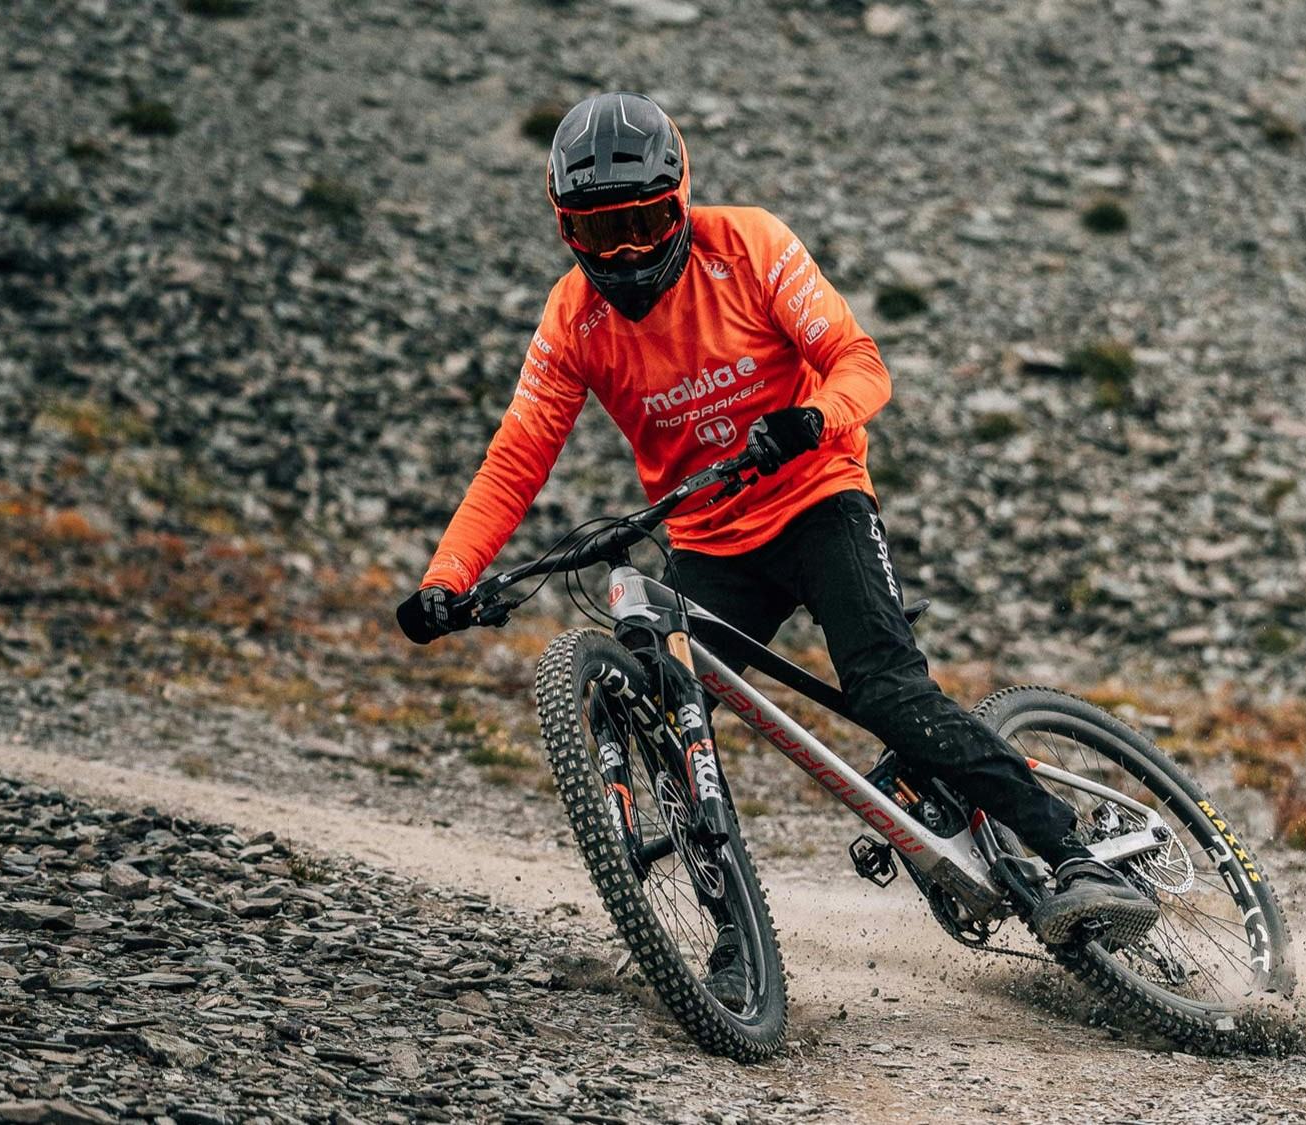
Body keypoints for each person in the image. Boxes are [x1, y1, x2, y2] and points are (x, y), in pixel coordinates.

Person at [396, 92, 1157, 998]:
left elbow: (860, 361)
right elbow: (516, 457)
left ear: (681, 200)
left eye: (645, 224)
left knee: (884, 690)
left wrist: (813, 418)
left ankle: (1075, 853)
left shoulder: (748, 245)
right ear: (567, 230)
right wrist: (450, 577)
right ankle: (731, 940)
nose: (628, 253)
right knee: (669, 717)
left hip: (819, 496)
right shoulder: (573, 322)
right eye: (602, 234)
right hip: (711, 539)